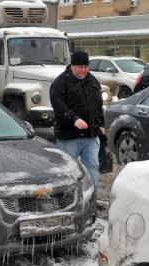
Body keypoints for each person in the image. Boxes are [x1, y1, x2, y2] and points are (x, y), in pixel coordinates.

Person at [49, 50, 105, 192]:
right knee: (67, 169)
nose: (84, 70)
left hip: (90, 135)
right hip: (69, 136)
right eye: (80, 67)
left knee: (92, 165)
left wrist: (101, 124)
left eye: (86, 67)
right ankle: (66, 199)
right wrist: (73, 119)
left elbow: (98, 105)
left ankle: (92, 198)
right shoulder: (60, 83)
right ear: (72, 66)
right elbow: (58, 105)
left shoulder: (92, 81)